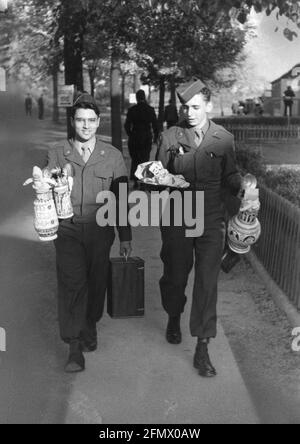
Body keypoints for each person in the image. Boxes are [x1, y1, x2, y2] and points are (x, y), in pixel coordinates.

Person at [156, 79, 242, 377]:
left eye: (195, 106)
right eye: (185, 107)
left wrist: (243, 188)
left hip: (210, 217)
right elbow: (156, 176)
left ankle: (202, 348)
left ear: (207, 105)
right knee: (175, 275)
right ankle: (173, 313)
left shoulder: (223, 138)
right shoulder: (169, 136)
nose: (189, 112)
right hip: (178, 214)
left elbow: (230, 175)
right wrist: (157, 179)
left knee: (207, 282)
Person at [45, 93, 132, 373]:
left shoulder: (113, 156)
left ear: (99, 122)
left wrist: (126, 236)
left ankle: (90, 323)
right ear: (73, 122)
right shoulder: (57, 152)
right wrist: (42, 184)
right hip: (68, 228)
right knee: (72, 282)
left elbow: (120, 199)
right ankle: (73, 346)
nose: (85, 126)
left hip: (100, 229)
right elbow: (46, 186)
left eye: (91, 121)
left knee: (96, 283)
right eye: (80, 120)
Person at [124, 89, 159, 188]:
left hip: (135, 136)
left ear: (136, 98)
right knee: (145, 158)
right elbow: (155, 125)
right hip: (146, 136)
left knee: (135, 159)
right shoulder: (150, 109)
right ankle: (144, 182)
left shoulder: (132, 110)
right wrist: (156, 137)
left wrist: (130, 134)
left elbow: (127, 125)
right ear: (145, 97)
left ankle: (135, 181)